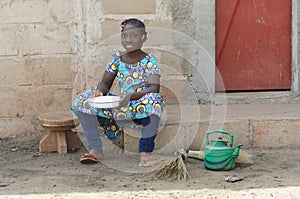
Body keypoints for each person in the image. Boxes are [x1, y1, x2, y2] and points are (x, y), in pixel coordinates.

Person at [71, 18, 165, 167]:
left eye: (134, 36)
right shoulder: (117, 59)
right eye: (124, 36)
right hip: (121, 104)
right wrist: (100, 92)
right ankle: (95, 149)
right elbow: (105, 83)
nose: (128, 40)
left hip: (141, 105)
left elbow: (154, 88)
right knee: (83, 100)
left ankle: (145, 153)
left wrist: (131, 96)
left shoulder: (150, 61)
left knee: (154, 101)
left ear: (144, 38)